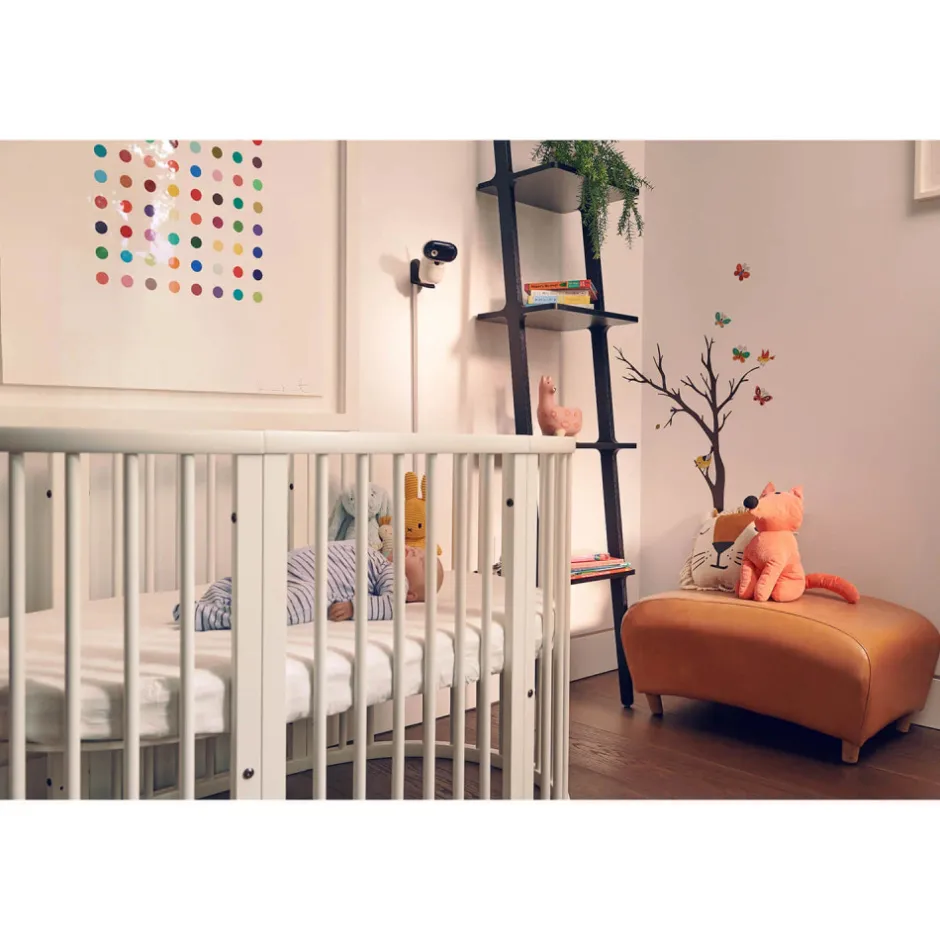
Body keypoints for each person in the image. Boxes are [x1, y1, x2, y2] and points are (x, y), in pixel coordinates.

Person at [174, 541, 444, 632]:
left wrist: (354, 607)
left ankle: (214, 615)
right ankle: (215, 599)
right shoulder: (371, 551)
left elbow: (392, 604)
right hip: (289, 564)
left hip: (305, 581)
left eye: (420, 560)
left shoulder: (391, 574)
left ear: (411, 594)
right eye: (418, 549)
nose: (414, 551)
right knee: (236, 582)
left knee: (307, 599)